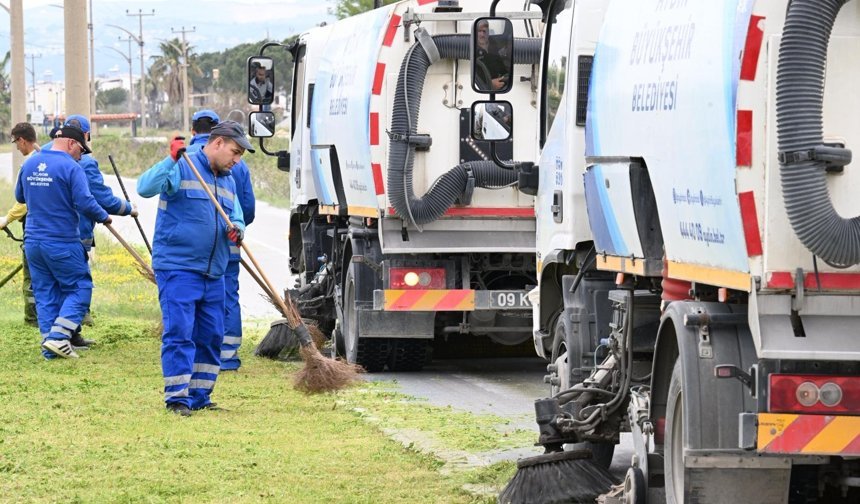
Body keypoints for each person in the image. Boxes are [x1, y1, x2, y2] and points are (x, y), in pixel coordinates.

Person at [137, 120, 251, 416]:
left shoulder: (227, 180)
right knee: (180, 332)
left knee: (212, 334)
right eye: (235, 152)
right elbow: (144, 187)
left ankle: (200, 395)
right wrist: (170, 158)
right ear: (217, 143)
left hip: (214, 270)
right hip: (178, 267)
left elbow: (236, 216)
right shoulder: (182, 165)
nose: (236, 160)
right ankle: (177, 396)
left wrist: (237, 229)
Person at [15, 124, 111, 360]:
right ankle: (59, 337)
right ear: (71, 143)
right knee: (80, 288)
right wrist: (104, 216)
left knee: (45, 292)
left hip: (34, 242)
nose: (81, 155)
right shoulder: (71, 166)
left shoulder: (29, 164)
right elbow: (85, 202)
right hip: (61, 241)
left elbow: (19, 196)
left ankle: (51, 347)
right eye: (81, 150)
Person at [187, 109, 257, 372]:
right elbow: (247, 208)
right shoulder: (239, 164)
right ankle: (227, 355)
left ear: (193, 131)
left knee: (196, 300)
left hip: (196, 252)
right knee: (227, 297)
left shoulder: (185, 158)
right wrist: (238, 228)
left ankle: (197, 353)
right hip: (229, 244)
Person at [0, 122, 42, 326]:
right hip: (53, 232)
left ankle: (32, 318)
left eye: (16, 142)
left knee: (32, 279)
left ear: (23, 140)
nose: (16, 147)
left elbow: (24, 202)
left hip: (34, 233)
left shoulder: (30, 166)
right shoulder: (48, 158)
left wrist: (6, 219)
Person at [474, 19, 510, 92]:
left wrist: (506, 75)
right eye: (479, 31)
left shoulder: (493, 43)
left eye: (484, 31)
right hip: (482, 89)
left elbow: (499, 62)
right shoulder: (471, 50)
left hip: (501, 83)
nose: (482, 34)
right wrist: (490, 84)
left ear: (488, 32)